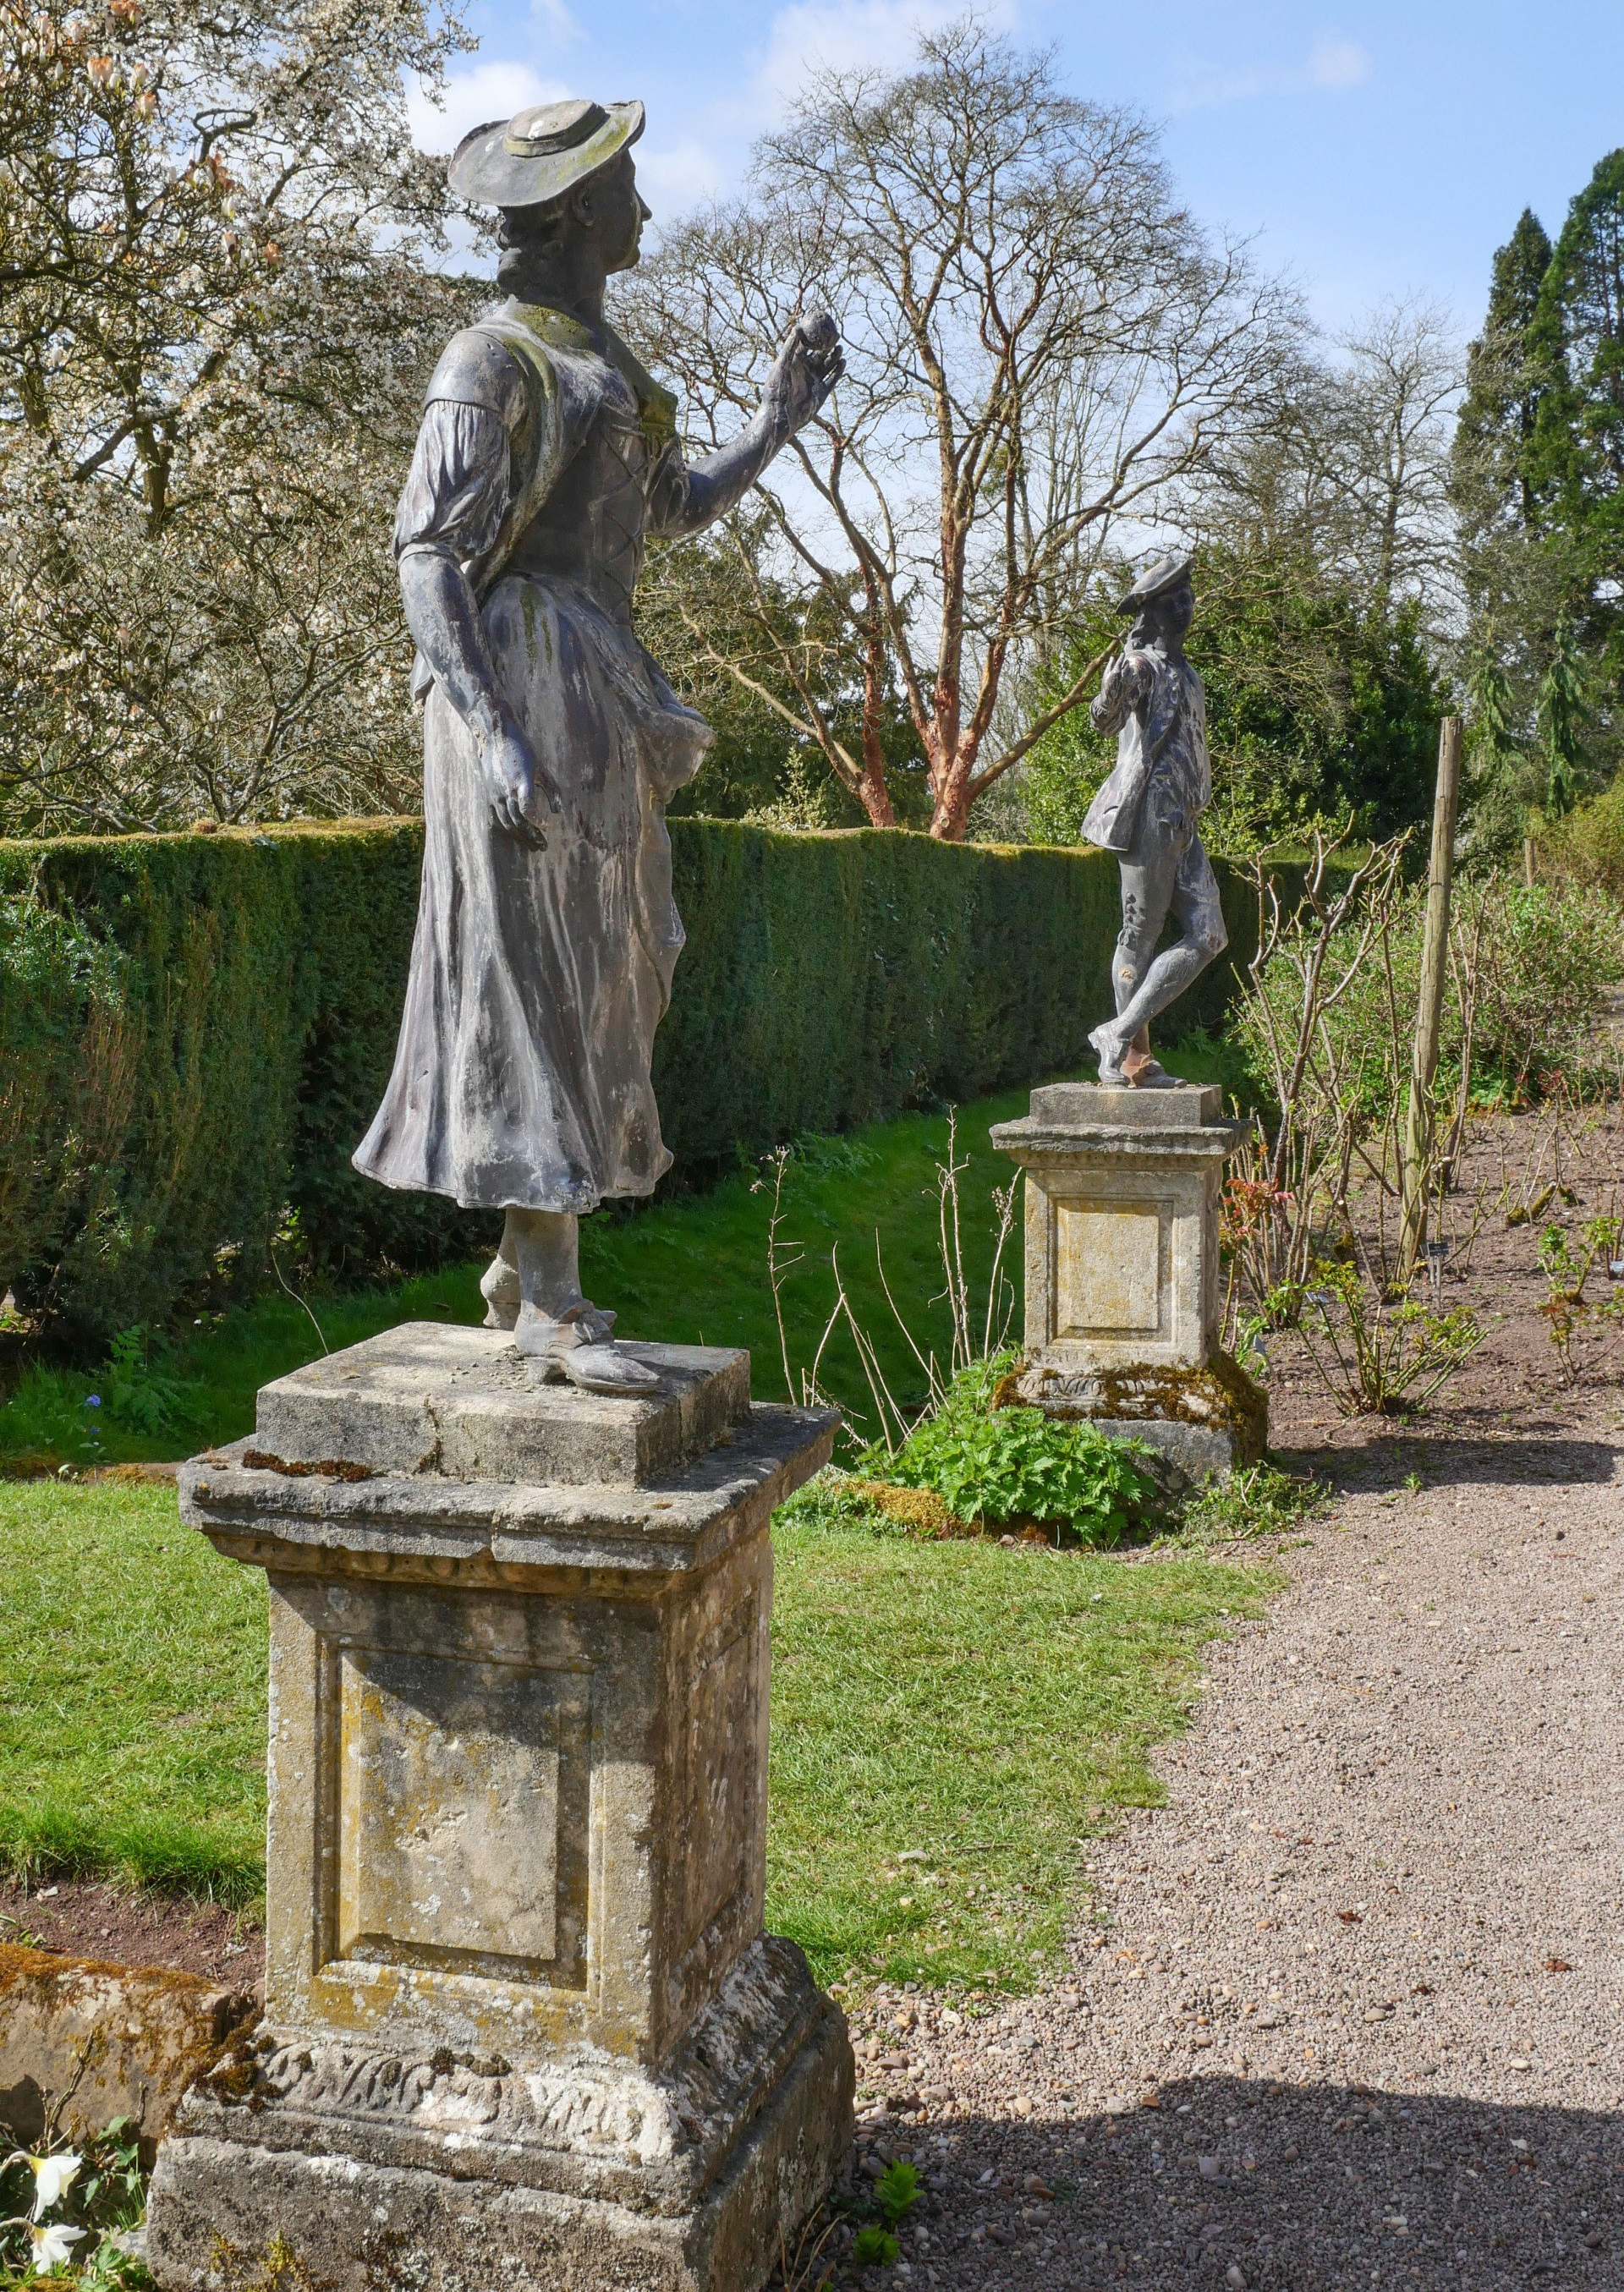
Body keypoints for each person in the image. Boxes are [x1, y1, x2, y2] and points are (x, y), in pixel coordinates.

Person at [353, 98, 842, 1390]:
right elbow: (426, 557)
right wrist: (490, 727)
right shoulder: (491, 358)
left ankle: (529, 1264)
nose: (646, 211)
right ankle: (550, 1292)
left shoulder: (601, 357)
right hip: (519, 684)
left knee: (625, 958)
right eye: (628, 188)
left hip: (594, 685)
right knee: (541, 971)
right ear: (575, 213)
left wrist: (777, 421)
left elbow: (668, 509)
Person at [1083, 551, 1227, 1086]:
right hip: (1147, 818)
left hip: (1181, 824)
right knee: (1139, 937)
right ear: (1155, 613)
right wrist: (1108, 695)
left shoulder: (1189, 674)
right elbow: (1106, 720)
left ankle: (1117, 1033)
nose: (1188, 606)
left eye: (1188, 596)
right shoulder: (1141, 667)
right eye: (1176, 600)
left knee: (1209, 936)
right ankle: (1130, 1059)